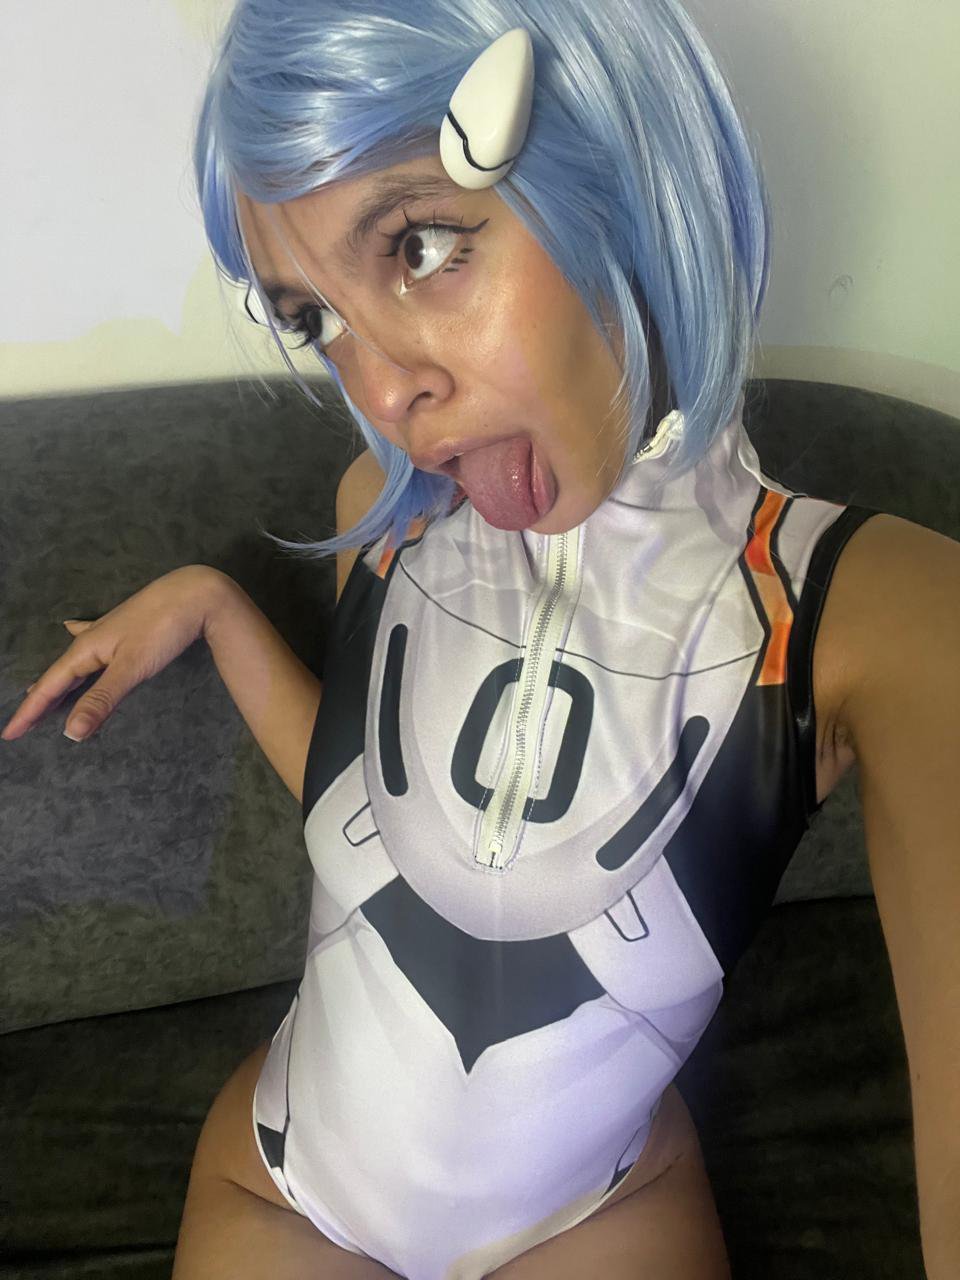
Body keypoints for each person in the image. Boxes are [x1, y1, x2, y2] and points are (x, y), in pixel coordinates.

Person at [4, 1, 959, 1277]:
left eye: (420, 244)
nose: (383, 389)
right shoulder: (384, 513)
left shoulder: (873, 607)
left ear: (619, 163)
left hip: (599, 1211)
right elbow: (382, 828)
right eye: (315, 318)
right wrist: (219, 606)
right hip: (288, 1179)